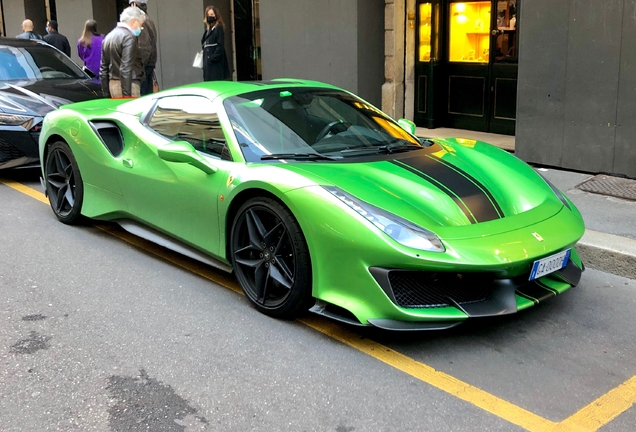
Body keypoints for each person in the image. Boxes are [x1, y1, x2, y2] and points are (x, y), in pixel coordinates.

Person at [100, 6, 146, 98]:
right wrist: (127, 96)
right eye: (141, 24)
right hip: (129, 85)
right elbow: (126, 68)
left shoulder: (108, 37)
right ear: (133, 21)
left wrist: (106, 93)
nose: (141, 28)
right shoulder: (129, 37)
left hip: (112, 84)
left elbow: (103, 69)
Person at [129, 0, 158, 95]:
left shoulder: (141, 21)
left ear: (134, 5)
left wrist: (139, 68)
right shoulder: (148, 20)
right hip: (147, 67)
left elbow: (143, 48)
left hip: (143, 69)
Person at [201, 6, 230, 81]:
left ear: (216, 15)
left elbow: (220, 45)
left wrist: (213, 58)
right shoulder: (208, 30)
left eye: (212, 14)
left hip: (215, 65)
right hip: (208, 65)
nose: (210, 17)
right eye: (208, 15)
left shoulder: (219, 28)